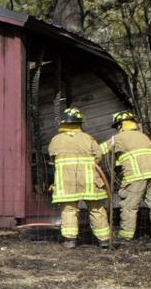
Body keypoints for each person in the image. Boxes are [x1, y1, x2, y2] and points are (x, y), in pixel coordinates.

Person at [47, 106, 111, 249]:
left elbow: (52, 157)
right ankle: (104, 241)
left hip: (66, 183)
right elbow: (98, 156)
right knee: (96, 209)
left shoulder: (56, 140)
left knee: (69, 210)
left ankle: (70, 241)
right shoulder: (88, 138)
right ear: (79, 123)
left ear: (63, 123)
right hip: (89, 182)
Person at [102, 110, 151, 242]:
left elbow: (100, 150)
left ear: (120, 125)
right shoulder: (144, 137)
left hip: (135, 176)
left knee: (129, 206)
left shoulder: (118, 138)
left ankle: (125, 236)